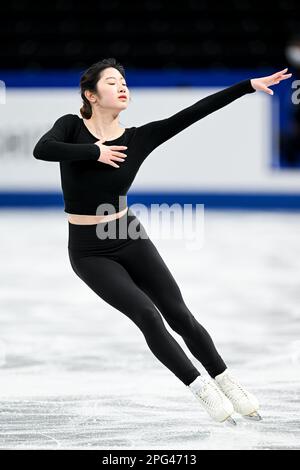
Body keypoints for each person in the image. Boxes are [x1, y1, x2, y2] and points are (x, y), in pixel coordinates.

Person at [33, 58, 291, 425]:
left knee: (180, 314)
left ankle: (227, 381)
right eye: (111, 82)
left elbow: (193, 113)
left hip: (127, 233)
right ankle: (201, 390)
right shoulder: (71, 127)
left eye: (124, 81)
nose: (122, 86)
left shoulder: (139, 138)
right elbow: (43, 149)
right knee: (147, 316)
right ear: (90, 94)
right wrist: (95, 151)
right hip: (89, 250)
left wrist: (246, 86)